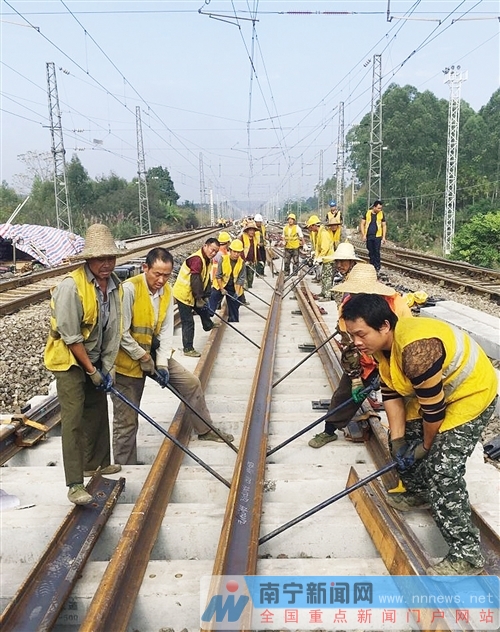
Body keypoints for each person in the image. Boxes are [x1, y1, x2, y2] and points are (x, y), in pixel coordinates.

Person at [342, 293, 498, 576]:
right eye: (353, 335)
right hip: (436, 394)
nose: (356, 341)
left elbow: (434, 413)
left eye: (360, 334)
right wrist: (399, 441)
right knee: (399, 441)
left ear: (384, 326)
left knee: (443, 470)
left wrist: (424, 447)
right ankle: (418, 491)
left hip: (470, 395)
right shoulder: (380, 347)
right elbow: (390, 392)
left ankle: (468, 555)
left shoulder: (416, 350)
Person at [112, 247, 233, 465]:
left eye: (166, 275)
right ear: (145, 268)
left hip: (152, 353)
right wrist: (142, 357)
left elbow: (166, 331)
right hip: (127, 360)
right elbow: (120, 332)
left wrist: (161, 364)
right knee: (127, 418)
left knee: (191, 383)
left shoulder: (167, 292)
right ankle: (125, 464)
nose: (161, 280)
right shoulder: (129, 289)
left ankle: (205, 429)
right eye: (157, 274)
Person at [44, 224, 123, 505]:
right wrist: (91, 370)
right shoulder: (71, 286)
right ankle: (75, 483)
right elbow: (71, 335)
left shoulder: (114, 286)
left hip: (95, 357)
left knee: (98, 408)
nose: (106, 264)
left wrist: (107, 368)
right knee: (74, 418)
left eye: (110, 258)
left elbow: (113, 330)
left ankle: (98, 464)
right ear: (88, 260)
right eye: (100, 259)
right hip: (69, 361)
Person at [308, 263, 411, 448]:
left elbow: (406, 337)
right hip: (363, 358)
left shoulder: (396, 305)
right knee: (344, 394)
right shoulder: (348, 307)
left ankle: (404, 438)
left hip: (394, 356)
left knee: (404, 398)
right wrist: (355, 377)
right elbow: (349, 345)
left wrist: (387, 369)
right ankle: (329, 430)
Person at [173, 237, 220, 358]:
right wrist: (199, 298)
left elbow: (205, 278)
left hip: (193, 293)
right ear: (205, 246)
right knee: (188, 322)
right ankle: (188, 348)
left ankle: (207, 325)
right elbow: (195, 280)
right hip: (183, 294)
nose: (213, 253)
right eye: (212, 249)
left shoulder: (207, 260)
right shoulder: (197, 259)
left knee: (204, 309)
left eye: (216, 251)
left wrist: (205, 296)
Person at [208, 239, 246, 322]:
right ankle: (208, 315)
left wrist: (237, 292)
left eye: (238, 252)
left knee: (235, 303)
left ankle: (233, 320)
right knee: (213, 296)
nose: (236, 254)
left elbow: (241, 279)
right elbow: (218, 276)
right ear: (230, 250)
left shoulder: (241, 263)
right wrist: (222, 289)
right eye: (234, 252)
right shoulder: (223, 259)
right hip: (221, 284)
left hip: (234, 286)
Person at [360, 200, 386, 274]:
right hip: (369, 236)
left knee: (377, 251)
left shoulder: (381, 214)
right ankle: (372, 265)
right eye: (378, 208)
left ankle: (377, 266)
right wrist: (363, 235)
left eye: (380, 208)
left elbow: (384, 225)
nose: (379, 210)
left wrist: (383, 237)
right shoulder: (367, 213)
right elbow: (362, 224)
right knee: (371, 251)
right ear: (374, 207)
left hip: (377, 236)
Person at [240, 221, 259, 290]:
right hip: (243, 261)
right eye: (250, 230)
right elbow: (240, 250)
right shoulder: (242, 237)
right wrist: (244, 260)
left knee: (250, 276)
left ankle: (249, 285)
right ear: (247, 231)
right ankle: (244, 287)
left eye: (253, 230)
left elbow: (256, 249)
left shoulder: (254, 239)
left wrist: (259, 260)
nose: (252, 232)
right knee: (244, 275)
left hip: (252, 261)